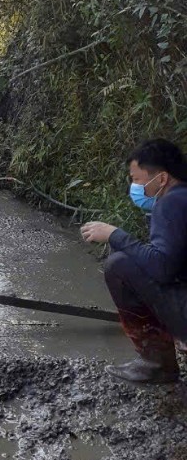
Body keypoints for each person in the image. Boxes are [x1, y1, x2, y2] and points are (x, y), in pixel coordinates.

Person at [81, 138, 187, 383]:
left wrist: (114, 235)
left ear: (161, 179)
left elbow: (162, 268)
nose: (135, 187)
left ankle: (156, 364)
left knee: (120, 266)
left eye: (137, 180)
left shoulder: (170, 203)